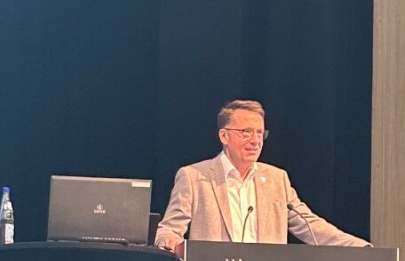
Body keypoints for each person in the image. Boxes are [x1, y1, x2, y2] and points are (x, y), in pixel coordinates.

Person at [154, 100, 369, 250]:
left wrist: (357, 246)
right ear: (224, 136)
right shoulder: (194, 177)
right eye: (246, 132)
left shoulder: (277, 179)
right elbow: (168, 230)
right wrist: (170, 240)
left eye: (260, 133)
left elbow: (310, 225)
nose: (255, 141)